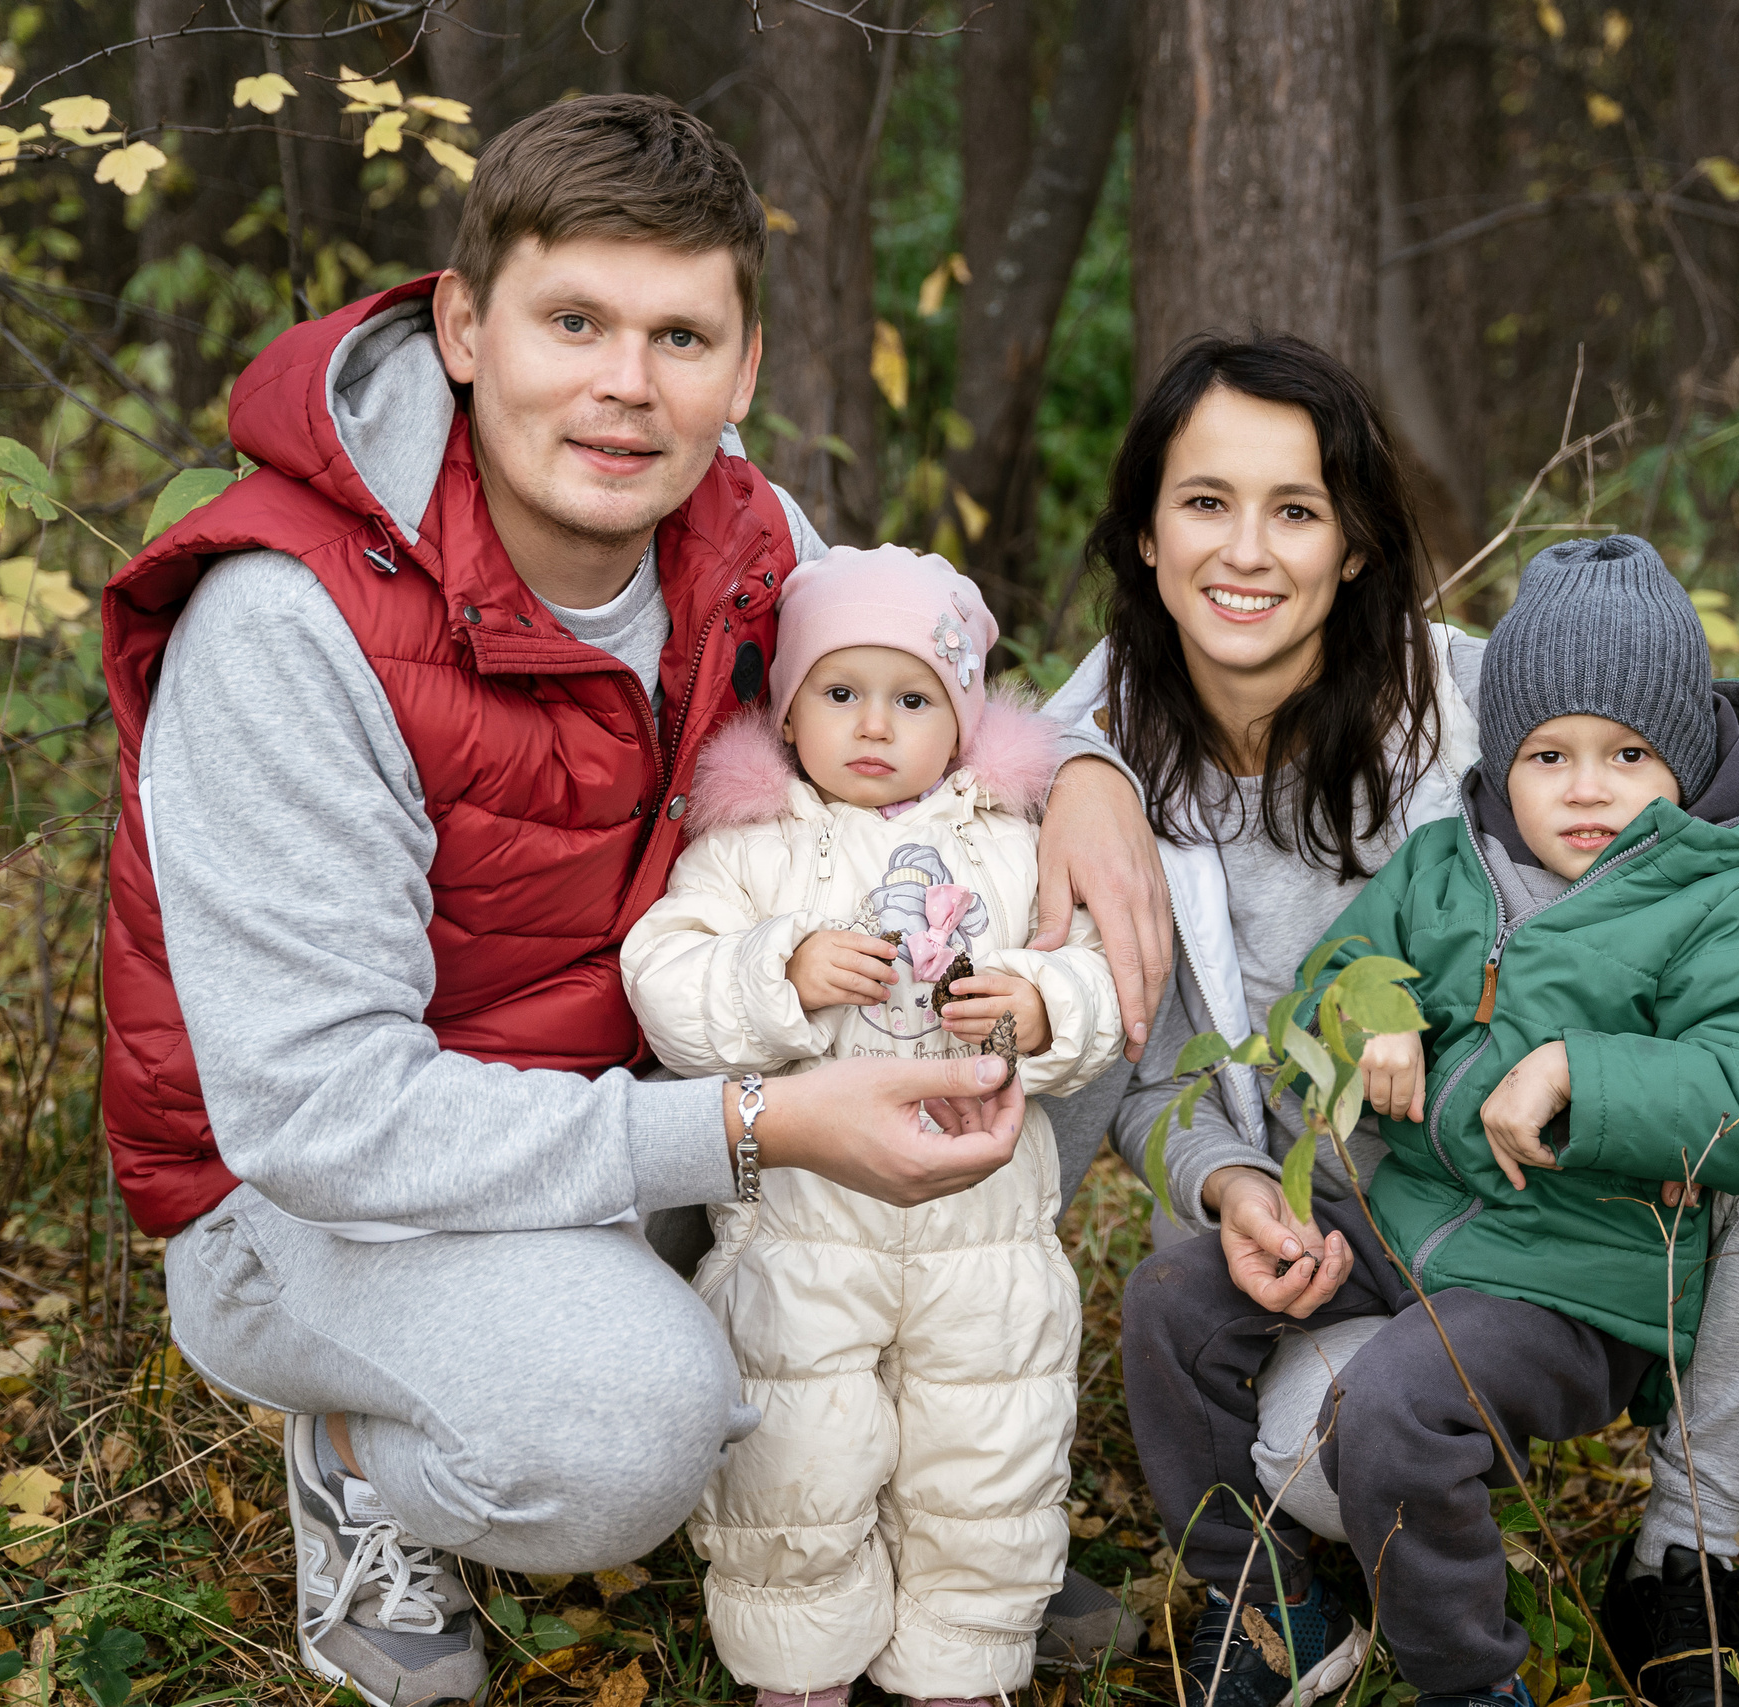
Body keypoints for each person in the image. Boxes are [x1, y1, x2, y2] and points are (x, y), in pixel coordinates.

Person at [100, 97, 1168, 1707]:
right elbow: (319, 1114)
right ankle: (365, 1458)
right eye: (575, 322)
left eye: (680, 337)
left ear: (742, 370)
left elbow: (923, 686)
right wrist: (757, 1125)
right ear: (465, 327)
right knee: (622, 1429)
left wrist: (1084, 775)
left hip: (636, 1090)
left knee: (1062, 962)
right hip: (318, 1198)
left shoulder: (753, 539)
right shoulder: (285, 626)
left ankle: (926, 1485)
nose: (627, 385)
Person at [1039, 333, 1739, 1707]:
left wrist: (1588, 1075)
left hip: (1570, 1222)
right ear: (1146, 532)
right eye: (1206, 501)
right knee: (1303, 1434)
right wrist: (1079, 766)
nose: (1248, 550)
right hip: (1352, 1207)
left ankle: (1684, 1554)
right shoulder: (1105, 770)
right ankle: (1257, 1594)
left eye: (1297, 508)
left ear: (1355, 544)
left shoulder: (1485, 705)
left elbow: (1664, 776)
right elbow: (1248, 1023)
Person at [623, 546, 1127, 1707]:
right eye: (840, 692)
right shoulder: (747, 851)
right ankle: (798, 1668)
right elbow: (666, 983)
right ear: (788, 709)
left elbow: (1100, 977)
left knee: (986, 1460)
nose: (872, 725)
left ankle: (961, 1665)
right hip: (801, 1238)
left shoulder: (1012, 844)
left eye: (912, 699)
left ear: (961, 721)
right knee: (797, 1457)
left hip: (984, 1243)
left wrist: (1044, 1004)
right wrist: (781, 972)